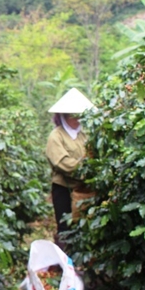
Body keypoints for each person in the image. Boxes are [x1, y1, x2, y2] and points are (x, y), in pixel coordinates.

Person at [45, 88, 95, 247]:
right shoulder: (56, 136)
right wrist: (85, 168)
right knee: (65, 226)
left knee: (83, 225)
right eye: (75, 116)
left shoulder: (83, 135)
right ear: (65, 116)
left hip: (82, 190)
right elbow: (61, 162)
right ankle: (65, 260)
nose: (78, 119)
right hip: (63, 189)